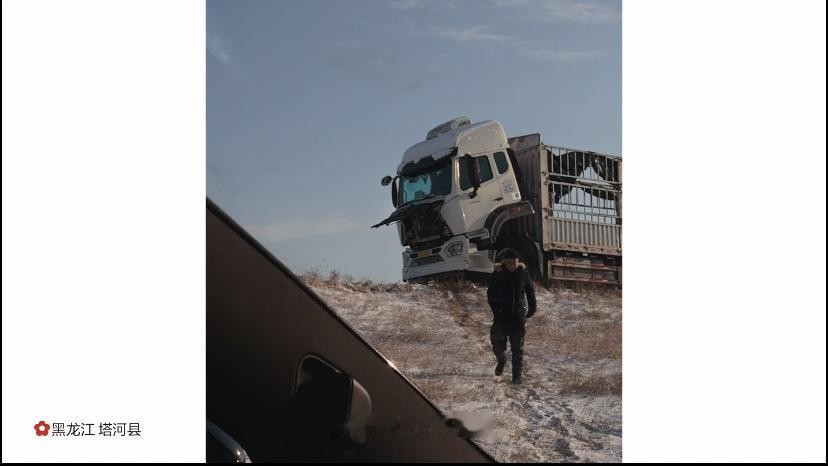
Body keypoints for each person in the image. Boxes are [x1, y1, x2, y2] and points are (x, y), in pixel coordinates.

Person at [487, 248, 537, 384]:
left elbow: (530, 292)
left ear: (517, 262)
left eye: (514, 262)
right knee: (497, 346)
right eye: (509, 262)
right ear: (504, 262)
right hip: (501, 317)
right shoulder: (497, 274)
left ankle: (517, 376)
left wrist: (532, 309)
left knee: (517, 348)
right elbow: (490, 295)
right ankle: (501, 360)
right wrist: (496, 310)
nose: (512, 265)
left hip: (517, 317)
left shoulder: (522, 274)